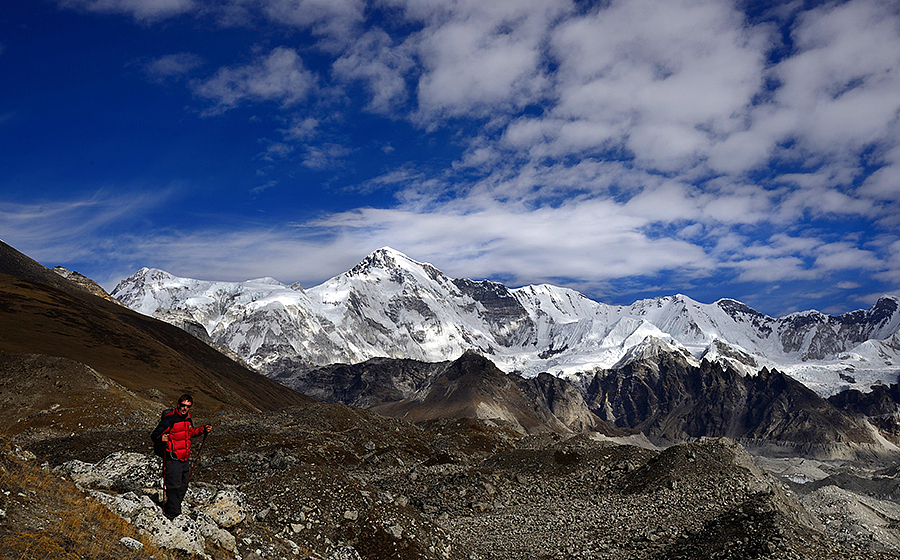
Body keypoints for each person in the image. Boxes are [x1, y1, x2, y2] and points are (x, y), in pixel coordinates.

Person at [150, 394, 211, 520]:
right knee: (174, 486)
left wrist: (202, 430)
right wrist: (160, 438)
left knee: (183, 486)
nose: (185, 408)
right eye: (183, 405)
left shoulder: (188, 419)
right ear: (178, 404)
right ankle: (173, 514)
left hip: (184, 458)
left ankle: (171, 508)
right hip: (173, 458)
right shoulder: (169, 419)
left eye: (188, 406)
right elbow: (154, 434)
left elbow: (190, 433)